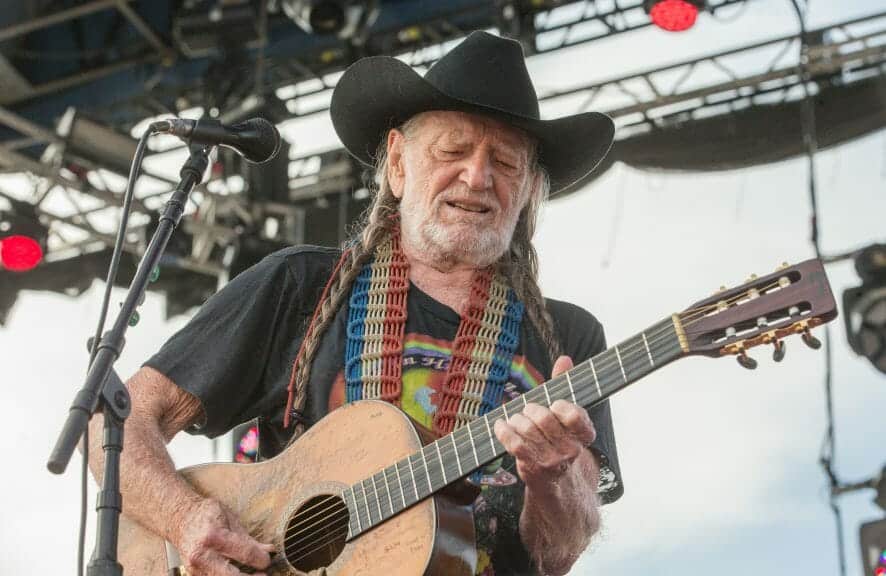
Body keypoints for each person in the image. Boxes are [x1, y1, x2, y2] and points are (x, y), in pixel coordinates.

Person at [88, 31, 623, 576]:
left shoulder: (567, 336)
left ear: (530, 187)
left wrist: (550, 478)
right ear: (397, 163)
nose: (477, 176)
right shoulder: (301, 285)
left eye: (505, 163)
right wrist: (183, 518)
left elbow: (559, 554)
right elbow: (114, 422)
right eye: (452, 150)